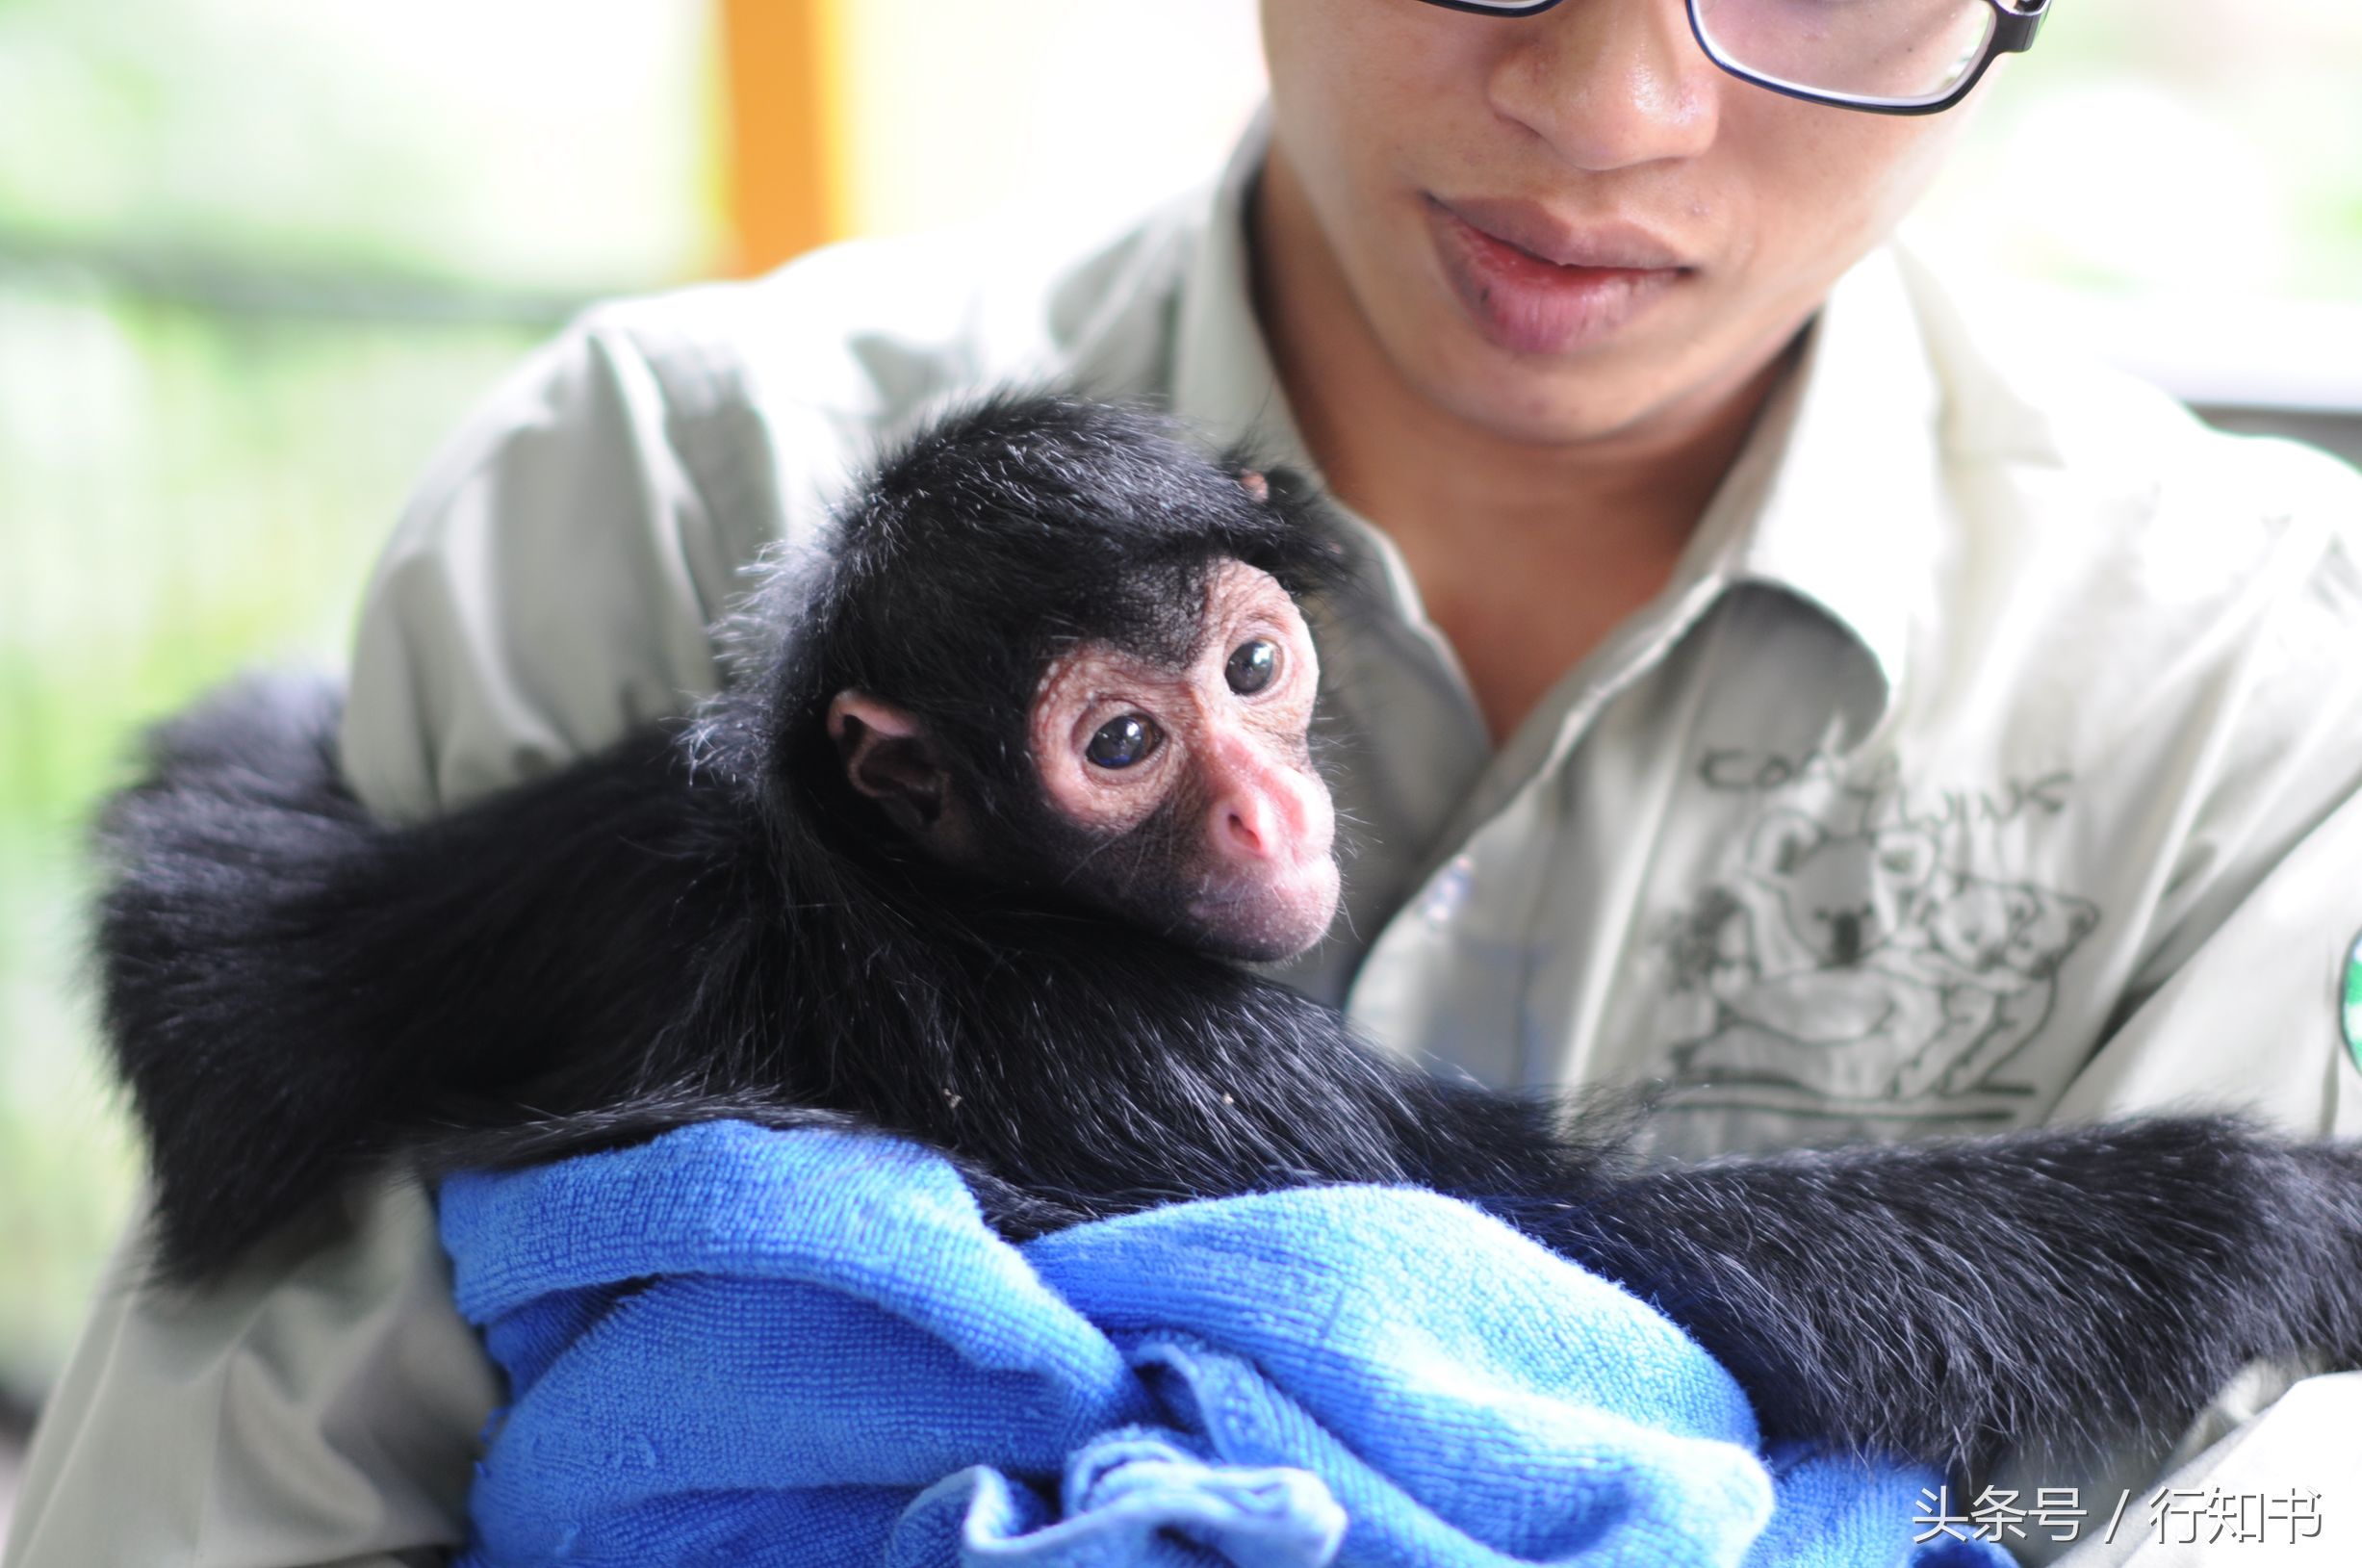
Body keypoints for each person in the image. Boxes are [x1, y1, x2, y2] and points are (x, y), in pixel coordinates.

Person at [11, 0, 2362, 1563]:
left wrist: (266, 751)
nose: (1617, 104)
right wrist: (2227, 1226)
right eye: (1133, 743)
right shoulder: (658, 493)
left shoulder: (2270, 674)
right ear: (898, 782)